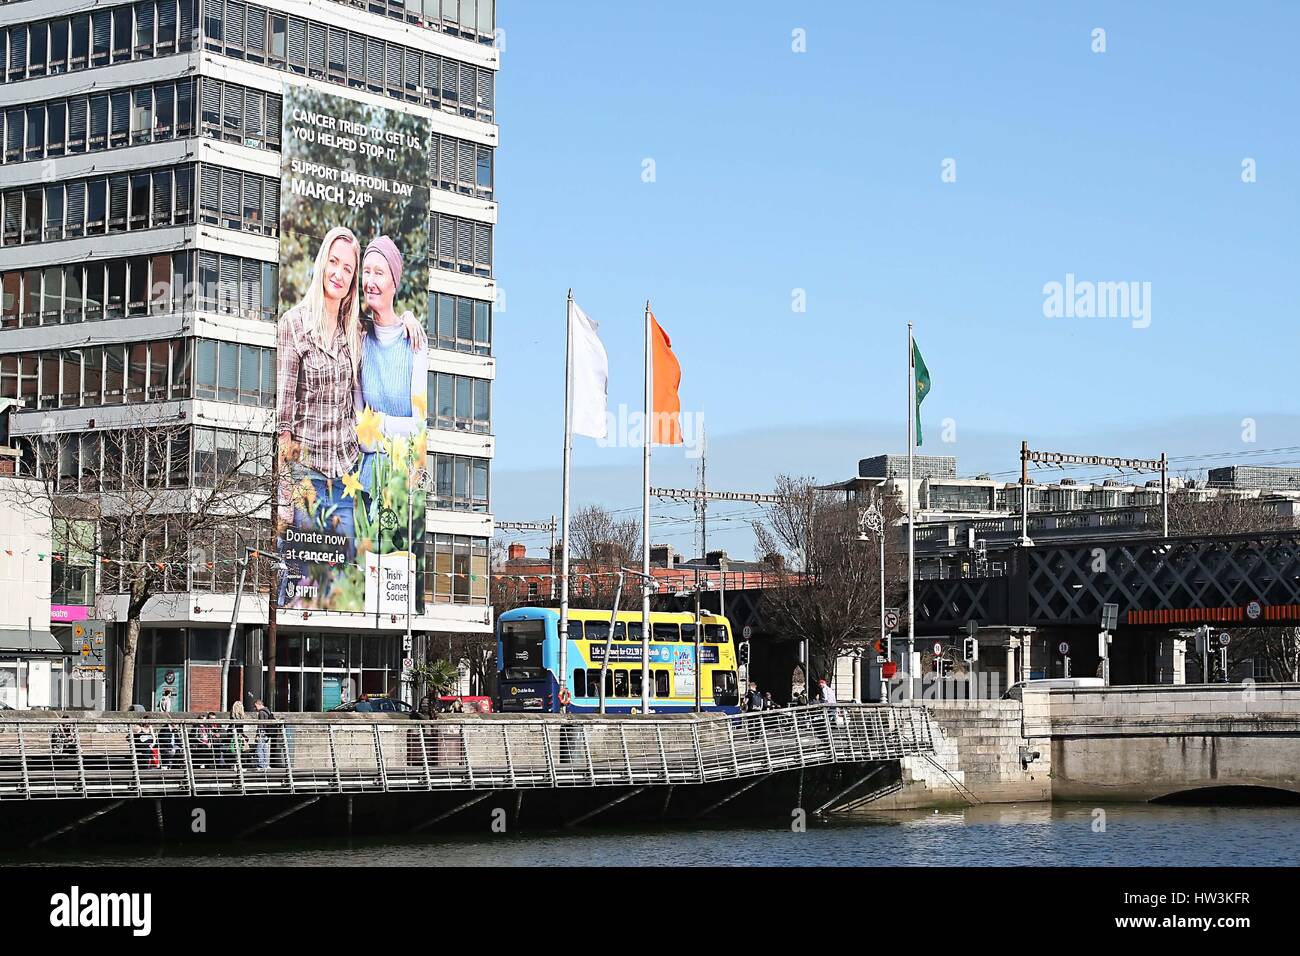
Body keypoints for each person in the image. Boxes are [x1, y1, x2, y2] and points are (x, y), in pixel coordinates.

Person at [276, 226, 366, 578]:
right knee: (301, 582)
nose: (339, 273)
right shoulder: (294, 326)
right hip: (305, 476)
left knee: (337, 586)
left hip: (345, 476)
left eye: (348, 268)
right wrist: (285, 490)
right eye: (334, 262)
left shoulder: (356, 333)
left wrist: (407, 322)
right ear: (321, 264)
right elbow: (283, 422)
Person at [354, 236, 428, 502]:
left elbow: (419, 426)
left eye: (379, 273)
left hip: (404, 488)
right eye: (367, 272)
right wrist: (394, 429)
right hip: (366, 488)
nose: (370, 282)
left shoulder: (414, 342)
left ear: (394, 283)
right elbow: (361, 435)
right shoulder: (360, 341)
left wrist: (379, 423)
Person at [252, 698, 275, 771]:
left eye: (255, 706)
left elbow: (260, 725)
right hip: (267, 733)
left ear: (259, 704)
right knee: (265, 749)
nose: (255, 708)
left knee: (259, 749)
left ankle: (261, 765)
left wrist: (257, 734)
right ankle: (266, 764)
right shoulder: (268, 711)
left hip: (262, 733)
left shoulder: (261, 712)